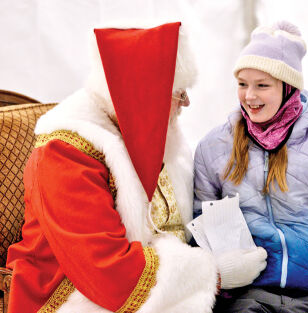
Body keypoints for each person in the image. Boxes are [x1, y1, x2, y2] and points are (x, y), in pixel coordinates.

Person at [6, 21, 220, 313]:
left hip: (151, 280)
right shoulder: (64, 154)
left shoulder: (149, 137)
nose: (186, 103)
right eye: (178, 93)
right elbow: (110, 274)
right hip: (70, 295)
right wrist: (215, 274)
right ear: (145, 95)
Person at [193, 21, 308, 313]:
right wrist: (219, 277)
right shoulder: (214, 148)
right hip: (246, 294)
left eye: (262, 85)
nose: (249, 96)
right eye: (242, 84)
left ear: (288, 87)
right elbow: (200, 224)